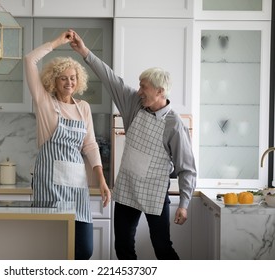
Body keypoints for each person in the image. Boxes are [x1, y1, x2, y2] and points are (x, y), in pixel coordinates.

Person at [70, 30, 197, 260]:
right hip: (127, 188)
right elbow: (110, 78)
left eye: (144, 87)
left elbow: (187, 167)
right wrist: (84, 52)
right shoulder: (134, 103)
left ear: (160, 91)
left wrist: (185, 204)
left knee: (162, 248)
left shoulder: (174, 124)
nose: (139, 91)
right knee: (123, 247)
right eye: (139, 86)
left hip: (155, 192)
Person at [24, 31, 111, 260]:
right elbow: (29, 60)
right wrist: (57, 42)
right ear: (53, 80)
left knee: (83, 250)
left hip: (76, 187)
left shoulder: (83, 108)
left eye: (73, 77)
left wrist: (101, 180)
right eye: (63, 77)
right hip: (48, 186)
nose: (69, 82)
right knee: (51, 250)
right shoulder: (44, 103)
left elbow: (90, 146)